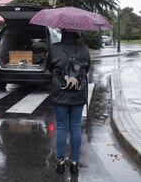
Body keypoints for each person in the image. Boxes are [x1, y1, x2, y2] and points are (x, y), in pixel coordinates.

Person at [47, 30, 91, 175]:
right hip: (78, 94)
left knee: (61, 127)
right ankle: (74, 163)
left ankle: (60, 163)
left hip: (60, 93)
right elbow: (87, 68)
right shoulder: (84, 49)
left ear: (63, 32)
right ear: (77, 33)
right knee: (76, 127)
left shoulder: (55, 48)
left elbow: (49, 67)